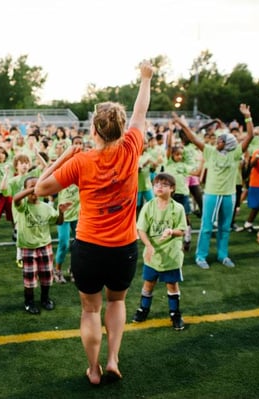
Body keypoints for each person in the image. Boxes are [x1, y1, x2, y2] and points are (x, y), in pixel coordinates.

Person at [35, 61, 153, 385]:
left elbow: (39, 189)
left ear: (93, 131)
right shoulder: (132, 149)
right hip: (124, 247)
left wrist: (62, 158)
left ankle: (94, 368)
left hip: (88, 247)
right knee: (117, 302)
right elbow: (141, 112)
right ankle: (113, 359)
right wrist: (146, 78)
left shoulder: (82, 161)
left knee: (90, 311)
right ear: (121, 128)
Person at [173, 105, 254, 269]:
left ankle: (222, 255)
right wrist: (182, 124)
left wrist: (247, 117)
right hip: (211, 194)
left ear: (227, 143)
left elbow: (250, 136)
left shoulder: (235, 153)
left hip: (229, 195)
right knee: (206, 227)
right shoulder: (210, 151)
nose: (217, 141)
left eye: (221, 140)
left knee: (225, 227)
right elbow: (194, 138)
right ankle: (200, 256)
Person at [133, 173, 187, 330]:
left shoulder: (178, 208)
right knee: (149, 283)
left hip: (171, 255)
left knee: (172, 285)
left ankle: (175, 314)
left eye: (164, 185)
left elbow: (182, 230)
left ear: (172, 188)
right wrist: (149, 246)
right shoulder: (148, 206)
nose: (159, 187)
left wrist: (171, 231)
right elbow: (141, 229)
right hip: (153, 254)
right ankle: (143, 309)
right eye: (156, 184)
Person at [14, 176, 69, 315]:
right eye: (30, 187)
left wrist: (61, 213)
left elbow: (59, 222)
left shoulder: (46, 207)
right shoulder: (23, 206)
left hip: (45, 245)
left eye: (37, 186)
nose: (34, 190)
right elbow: (16, 198)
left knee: (46, 275)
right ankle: (29, 301)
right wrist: (33, 188)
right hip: (28, 247)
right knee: (30, 278)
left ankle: (45, 299)